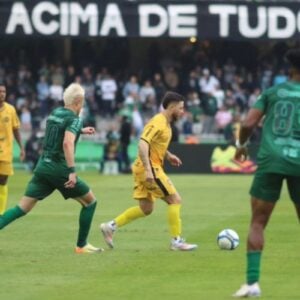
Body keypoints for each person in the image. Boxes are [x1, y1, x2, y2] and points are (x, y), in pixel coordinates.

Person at [0, 83, 102, 254]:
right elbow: (67, 143)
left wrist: (80, 131)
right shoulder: (75, 118)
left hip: (42, 166)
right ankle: (82, 245)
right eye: (82, 102)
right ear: (77, 101)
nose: (82, 105)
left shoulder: (55, 113)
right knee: (90, 202)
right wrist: (72, 171)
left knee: (21, 208)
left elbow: (59, 132)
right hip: (59, 168)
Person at [233, 49, 300, 298]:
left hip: (272, 159)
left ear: (289, 68)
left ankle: (252, 284)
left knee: (258, 222)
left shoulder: (273, 93)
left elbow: (248, 123)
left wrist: (241, 146)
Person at [100, 91, 198, 251]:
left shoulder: (166, 124)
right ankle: (177, 241)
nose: (182, 112)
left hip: (145, 166)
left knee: (146, 208)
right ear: (171, 107)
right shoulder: (158, 121)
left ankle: (110, 226)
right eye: (180, 108)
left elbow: (154, 144)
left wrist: (168, 155)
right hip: (149, 167)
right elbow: (143, 143)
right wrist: (148, 170)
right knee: (175, 200)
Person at [0, 83, 25, 214]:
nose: (2, 94)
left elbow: (16, 129)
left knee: (3, 180)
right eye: (0, 91)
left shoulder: (11, 110)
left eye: (4, 91)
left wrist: (22, 148)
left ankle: (1, 212)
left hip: (5, 152)